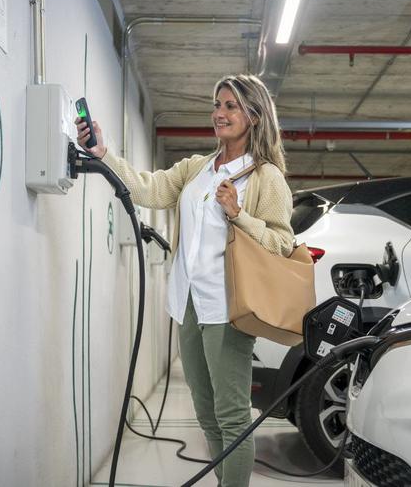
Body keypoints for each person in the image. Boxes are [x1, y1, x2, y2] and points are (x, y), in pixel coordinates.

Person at [76, 74, 294, 487]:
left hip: (229, 306)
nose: (220, 113)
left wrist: (239, 214)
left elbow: (282, 244)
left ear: (254, 115)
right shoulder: (197, 169)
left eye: (231, 106)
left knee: (232, 414)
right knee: (205, 409)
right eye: (217, 104)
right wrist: (103, 154)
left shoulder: (266, 178)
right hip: (188, 302)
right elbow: (151, 189)